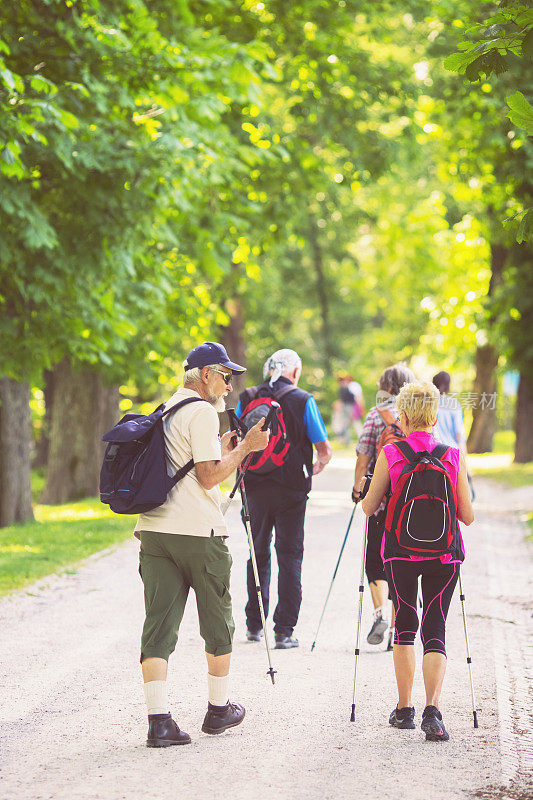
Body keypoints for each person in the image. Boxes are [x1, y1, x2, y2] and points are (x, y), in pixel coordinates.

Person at [135, 341, 269, 747]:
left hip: (154, 531)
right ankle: (218, 710)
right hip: (199, 533)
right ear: (207, 375)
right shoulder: (203, 412)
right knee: (217, 623)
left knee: (158, 625)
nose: (229, 386)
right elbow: (210, 478)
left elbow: (196, 466)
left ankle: (159, 723)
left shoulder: (166, 410)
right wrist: (245, 448)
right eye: (226, 377)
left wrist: (226, 451)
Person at [360, 381, 474, 741]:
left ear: (404, 416)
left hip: (400, 552)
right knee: (435, 626)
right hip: (444, 554)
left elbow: (368, 507)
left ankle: (405, 709)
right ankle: (433, 712)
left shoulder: (391, 454)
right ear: (435, 414)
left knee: (405, 624)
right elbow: (467, 516)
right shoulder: (452, 454)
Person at [236, 348, 332, 649]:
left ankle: (254, 625)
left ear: (268, 370)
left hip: (253, 486)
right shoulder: (303, 400)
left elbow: (233, 438)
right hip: (292, 489)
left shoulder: (247, 397)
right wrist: (318, 465)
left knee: (258, 553)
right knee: (290, 556)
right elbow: (323, 447)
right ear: (296, 371)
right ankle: (284, 631)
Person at [352, 363, 416, 647]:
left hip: (381, 502)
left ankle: (380, 615)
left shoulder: (376, 415)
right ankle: (396, 626)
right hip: (411, 504)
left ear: (385, 385)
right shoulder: (417, 414)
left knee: (375, 561)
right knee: (400, 563)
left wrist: (358, 490)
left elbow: (364, 455)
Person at [432, 371, 474, 499]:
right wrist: (465, 463)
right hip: (451, 456)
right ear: (448, 385)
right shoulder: (454, 404)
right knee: (453, 497)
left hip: (433, 454)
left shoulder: (428, 404)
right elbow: (459, 436)